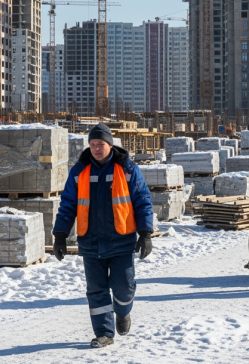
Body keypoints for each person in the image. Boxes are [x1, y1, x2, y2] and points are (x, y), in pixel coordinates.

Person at [53, 124, 154, 349]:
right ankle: (104, 333)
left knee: (124, 286)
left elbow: (143, 201)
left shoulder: (127, 169)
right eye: (92, 145)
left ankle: (123, 312)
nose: (96, 149)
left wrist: (146, 233)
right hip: (91, 242)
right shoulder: (79, 172)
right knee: (96, 291)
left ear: (110, 145)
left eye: (101, 144)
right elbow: (68, 205)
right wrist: (60, 235)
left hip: (121, 240)